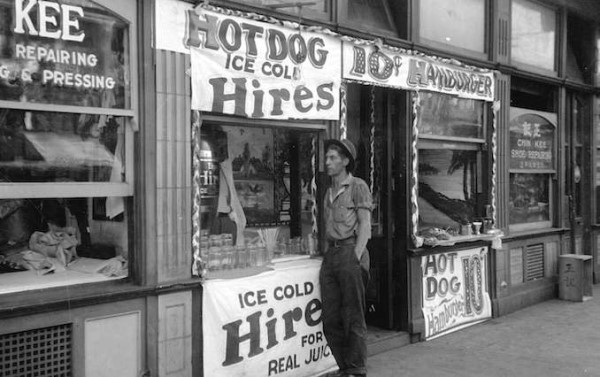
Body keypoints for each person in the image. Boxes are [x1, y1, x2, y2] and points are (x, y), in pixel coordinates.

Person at [320, 138, 372, 377]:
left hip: (350, 252)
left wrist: (356, 256)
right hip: (331, 255)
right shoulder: (328, 191)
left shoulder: (358, 186)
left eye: (332, 158)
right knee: (330, 319)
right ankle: (345, 368)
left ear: (345, 161)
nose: (327, 162)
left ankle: (356, 370)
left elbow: (365, 226)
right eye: (327, 157)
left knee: (353, 316)